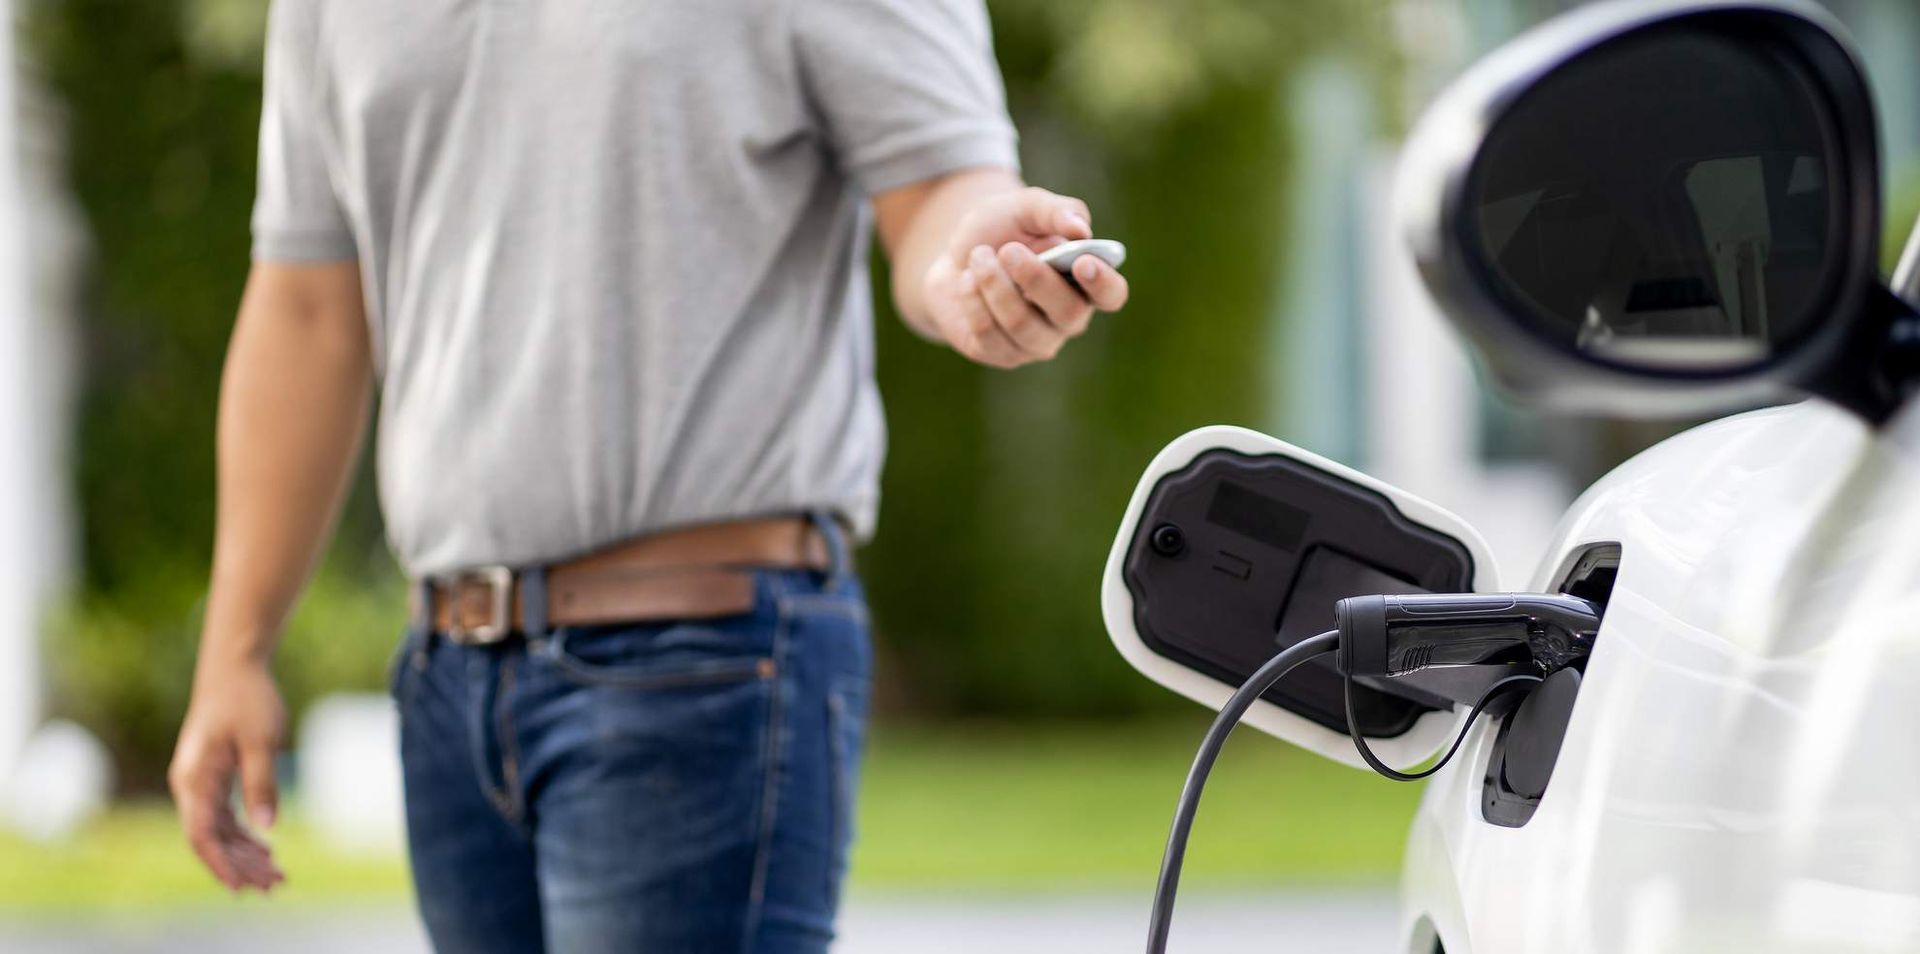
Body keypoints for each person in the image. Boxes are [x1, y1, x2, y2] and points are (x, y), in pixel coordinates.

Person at [165, 1, 1128, 951]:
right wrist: (234, 653)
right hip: (448, 675)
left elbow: (940, 198)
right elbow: (307, 306)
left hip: (702, 659)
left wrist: (985, 264)